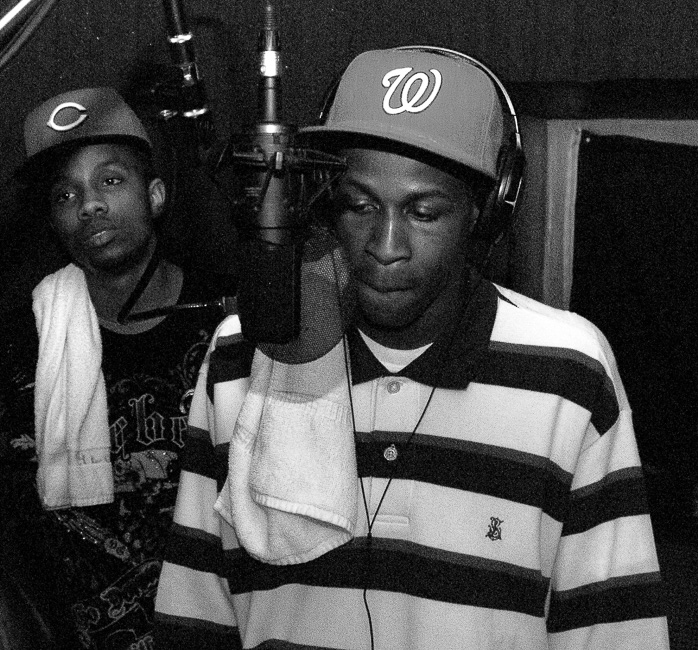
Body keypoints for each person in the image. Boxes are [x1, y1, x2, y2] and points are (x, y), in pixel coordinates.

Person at [153, 47, 670, 649]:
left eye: (424, 212)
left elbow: (615, 632)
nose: (386, 244)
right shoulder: (245, 352)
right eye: (359, 205)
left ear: (485, 212)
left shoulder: (570, 372)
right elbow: (195, 614)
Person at [0, 87, 232, 649]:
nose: (89, 205)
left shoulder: (226, 321)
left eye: (110, 180)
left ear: (154, 195)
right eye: (66, 194)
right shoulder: (21, 344)